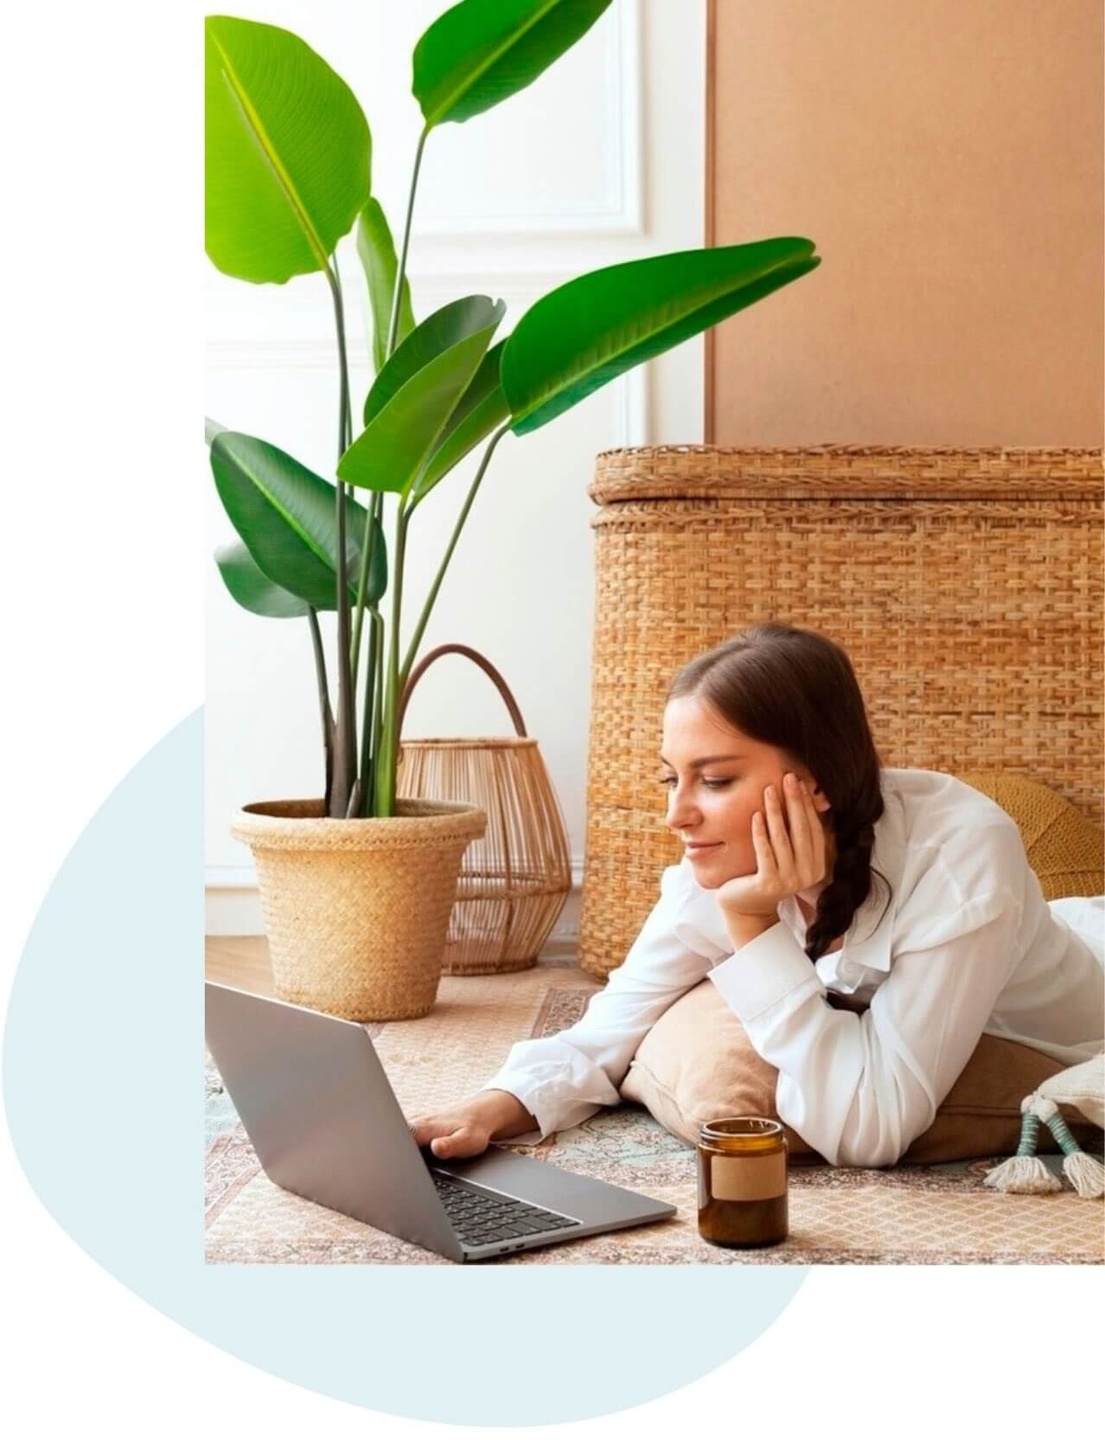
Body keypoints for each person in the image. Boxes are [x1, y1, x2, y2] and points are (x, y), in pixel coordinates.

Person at [409, 622, 1104, 1168]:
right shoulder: (712, 868)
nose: (676, 814)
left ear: (819, 780)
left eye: (713, 781)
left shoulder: (957, 858)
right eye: (669, 779)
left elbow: (868, 1133)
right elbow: (608, 1027)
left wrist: (749, 927)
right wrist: (487, 1110)